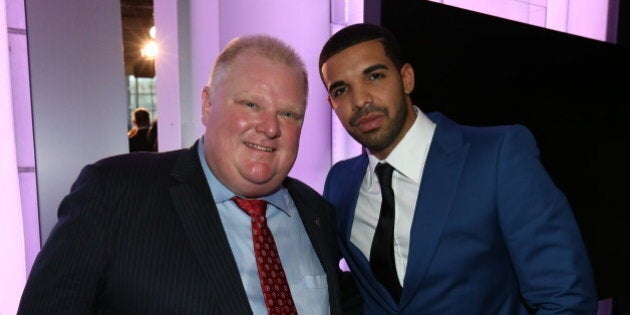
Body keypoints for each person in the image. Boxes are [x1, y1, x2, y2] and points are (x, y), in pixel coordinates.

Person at [18, 34, 354, 314]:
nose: (269, 127)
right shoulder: (114, 192)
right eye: (251, 104)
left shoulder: (317, 214)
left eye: (289, 113)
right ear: (207, 104)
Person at [318, 23, 597, 314]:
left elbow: (566, 299)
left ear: (406, 78)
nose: (360, 100)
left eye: (374, 76)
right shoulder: (341, 182)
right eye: (341, 89)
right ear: (331, 103)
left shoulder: (498, 157)